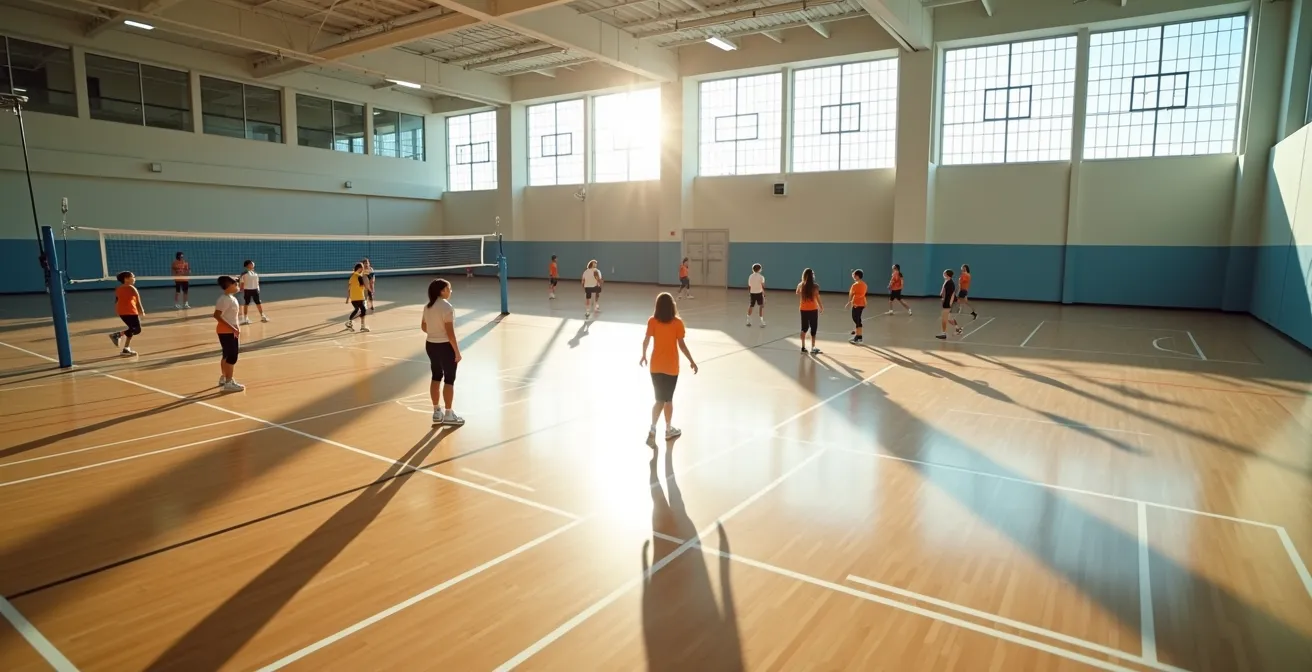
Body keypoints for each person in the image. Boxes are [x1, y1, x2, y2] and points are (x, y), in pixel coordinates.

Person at [640, 292, 698, 443]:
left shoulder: (652, 321)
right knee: (668, 400)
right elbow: (682, 345)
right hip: (671, 367)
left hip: (655, 366)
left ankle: (653, 428)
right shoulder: (677, 323)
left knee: (659, 399)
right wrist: (692, 360)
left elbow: (645, 341)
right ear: (672, 305)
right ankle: (668, 429)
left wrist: (644, 355)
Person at [422, 278, 463, 426]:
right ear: (442, 291)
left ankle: (436, 411)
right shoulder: (447, 307)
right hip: (445, 346)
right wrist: (457, 352)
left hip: (431, 345)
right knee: (449, 379)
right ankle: (449, 414)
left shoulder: (428, 307)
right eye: (449, 289)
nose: (450, 291)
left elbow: (423, 326)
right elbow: (450, 333)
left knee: (436, 376)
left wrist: (434, 332)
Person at [213, 275, 245, 392]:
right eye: (235, 284)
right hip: (226, 331)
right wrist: (233, 328)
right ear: (228, 286)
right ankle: (229, 382)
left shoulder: (231, 298)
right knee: (232, 357)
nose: (237, 286)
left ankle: (224, 377)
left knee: (226, 355)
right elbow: (217, 315)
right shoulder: (224, 299)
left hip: (230, 331)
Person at [109, 271, 144, 356]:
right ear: (126, 279)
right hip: (130, 311)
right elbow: (138, 301)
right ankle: (117, 335)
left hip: (121, 312)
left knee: (131, 329)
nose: (134, 278)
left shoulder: (118, 288)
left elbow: (117, 300)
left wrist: (119, 309)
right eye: (133, 277)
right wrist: (141, 311)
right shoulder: (131, 288)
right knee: (137, 329)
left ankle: (126, 349)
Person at [796, 268, 823, 355]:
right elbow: (817, 298)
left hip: (803, 308)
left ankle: (803, 347)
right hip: (812, 309)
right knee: (813, 327)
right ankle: (813, 347)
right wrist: (821, 307)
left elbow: (797, 292)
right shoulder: (815, 286)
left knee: (804, 328)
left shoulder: (801, 285)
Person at [238, 260, 269, 325]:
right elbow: (242, 283)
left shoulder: (255, 273)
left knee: (258, 303)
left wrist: (258, 288)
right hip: (247, 290)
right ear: (248, 265)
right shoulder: (244, 274)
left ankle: (262, 316)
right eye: (252, 263)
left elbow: (257, 282)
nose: (253, 264)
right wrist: (240, 288)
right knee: (246, 303)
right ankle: (246, 318)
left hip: (255, 290)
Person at [937, 269, 963, 340]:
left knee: (944, 319)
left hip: (948, 302)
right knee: (949, 319)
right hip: (946, 301)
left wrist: (950, 304)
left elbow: (952, 294)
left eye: (944, 273)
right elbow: (943, 292)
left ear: (947, 275)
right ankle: (958, 329)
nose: (943, 274)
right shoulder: (946, 282)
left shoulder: (950, 283)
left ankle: (944, 334)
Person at [346, 262, 370, 332]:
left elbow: (349, 287)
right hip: (359, 297)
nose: (363, 269)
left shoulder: (352, 277)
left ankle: (350, 322)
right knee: (363, 311)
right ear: (359, 268)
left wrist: (348, 298)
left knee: (356, 309)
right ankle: (361, 326)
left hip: (353, 298)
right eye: (362, 268)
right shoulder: (360, 277)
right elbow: (363, 287)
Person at [846, 269, 868, 344]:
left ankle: (859, 337)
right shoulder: (864, 284)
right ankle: (857, 336)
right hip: (862, 304)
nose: (853, 276)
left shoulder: (855, 285)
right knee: (857, 319)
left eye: (854, 275)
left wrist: (849, 302)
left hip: (856, 304)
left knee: (856, 319)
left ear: (857, 276)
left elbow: (851, 294)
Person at [746, 263, 766, 327]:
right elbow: (762, 286)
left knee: (751, 306)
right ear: (759, 269)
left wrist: (750, 292)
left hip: (752, 293)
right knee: (761, 306)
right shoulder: (761, 277)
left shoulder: (750, 276)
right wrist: (764, 293)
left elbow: (749, 285)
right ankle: (762, 321)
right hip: (759, 293)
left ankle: (748, 320)